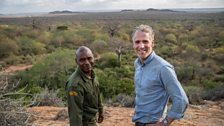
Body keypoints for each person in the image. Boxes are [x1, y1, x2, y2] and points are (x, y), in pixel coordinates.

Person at [132, 24, 189, 126]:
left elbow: (181, 100)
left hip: (154, 123)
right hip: (138, 122)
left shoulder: (163, 68)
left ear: (152, 43)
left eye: (145, 41)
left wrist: (165, 123)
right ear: (133, 44)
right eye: (137, 42)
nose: (141, 46)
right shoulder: (137, 63)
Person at [66, 46, 103, 126]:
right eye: (82, 60)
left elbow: (97, 94)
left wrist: (100, 111)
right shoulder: (75, 85)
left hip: (93, 120)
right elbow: (75, 114)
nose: (87, 62)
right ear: (76, 61)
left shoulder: (92, 74)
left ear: (93, 58)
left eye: (89, 58)